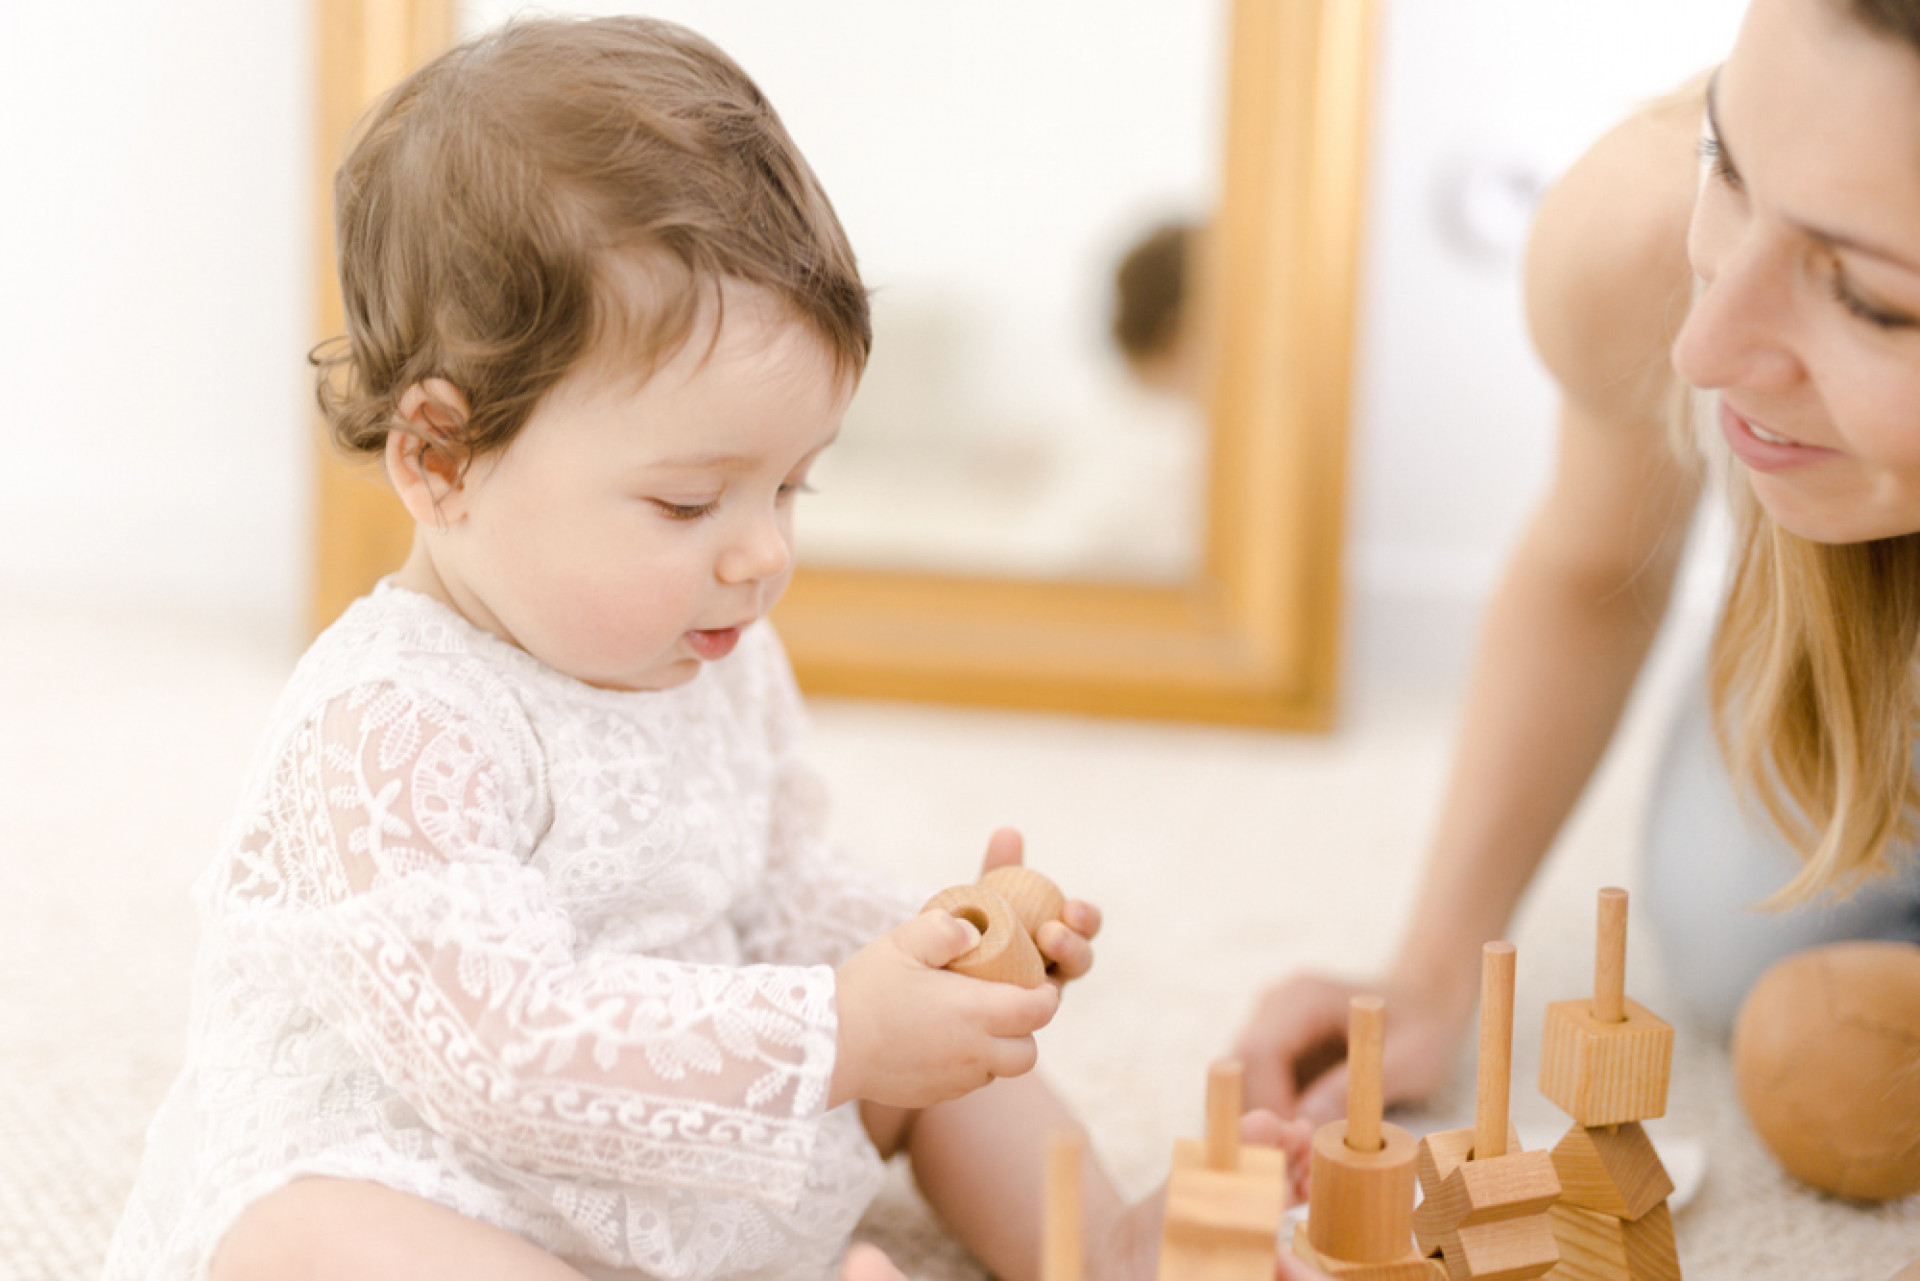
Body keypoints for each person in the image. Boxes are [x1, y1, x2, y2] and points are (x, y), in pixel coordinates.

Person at [100, 17, 1315, 1281]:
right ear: (440, 459)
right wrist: (833, 1031)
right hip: (451, 1159)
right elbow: (502, 1058)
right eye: (690, 504)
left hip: (686, 1104)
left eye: (794, 487)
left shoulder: (714, 644)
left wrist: (929, 955)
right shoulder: (390, 726)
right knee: (308, 1239)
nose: (759, 556)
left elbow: (774, 881)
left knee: (937, 1064)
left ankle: (1099, 1245)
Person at [1236, 0, 1920, 1139]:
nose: (1704, 352)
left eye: (1871, 298)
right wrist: (1434, 966)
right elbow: (1589, 566)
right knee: (1737, 942)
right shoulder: (1637, 235)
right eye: (1729, 163)